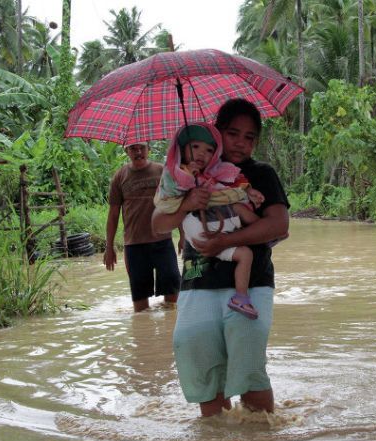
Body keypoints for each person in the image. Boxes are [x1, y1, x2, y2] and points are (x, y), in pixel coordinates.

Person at [151, 99, 290, 416]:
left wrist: (225, 241)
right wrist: (187, 203)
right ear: (218, 132)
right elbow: (158, 225)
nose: (241, 143)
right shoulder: (184, 175)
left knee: (250, 371)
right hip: (198, 282)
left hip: (250, 285)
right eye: (233, 133)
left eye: (250, 137)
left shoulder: (261, 174)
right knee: (203, 373)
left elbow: (279, 225)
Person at [154, 122, 265, 319]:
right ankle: (242, 296)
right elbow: (158, 224)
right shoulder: (176, 175)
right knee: (245, 246)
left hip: (216, 227)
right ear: (182, 148)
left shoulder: (215, 172)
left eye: (209, 150)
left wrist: (249, 191)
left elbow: (232, 179)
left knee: (243, 213)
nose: (201, 154)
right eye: (195, 146)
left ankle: (241, 294)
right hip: (199, 257)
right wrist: (188, 201)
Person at [104, 141, 181, 312]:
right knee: (140, 306)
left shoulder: (162, 171)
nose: (138, 152)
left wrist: (183, 236)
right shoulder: (120, 176)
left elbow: (176, 204)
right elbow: (113, 214)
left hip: (163, 241)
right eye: (133, 148)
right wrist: (109, 246)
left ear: (149, 149)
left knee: (173, 298)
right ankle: (143, 337)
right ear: (126, 151)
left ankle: (167, 336)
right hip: (134, 245)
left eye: (142, 147)